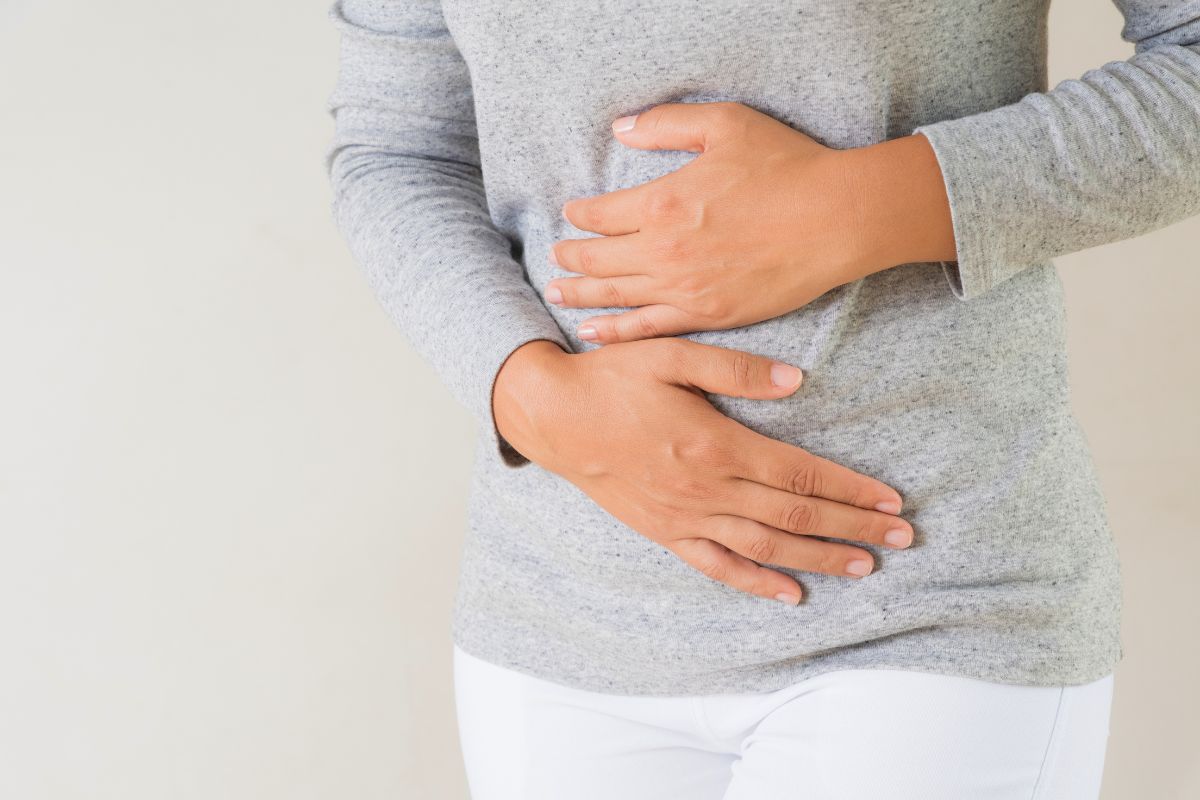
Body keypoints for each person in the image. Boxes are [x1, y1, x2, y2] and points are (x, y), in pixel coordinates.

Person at [323, 0, 1200, 797]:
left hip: (932, 595)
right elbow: (398, 148)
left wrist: (857, 207)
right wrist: (533, 396)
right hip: (562, 615)